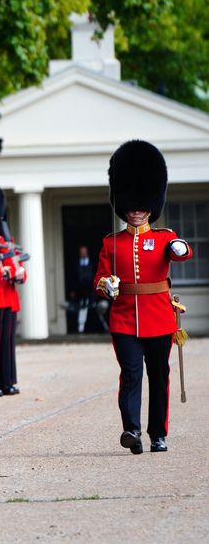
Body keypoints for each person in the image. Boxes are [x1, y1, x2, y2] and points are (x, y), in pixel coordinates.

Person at [94, 140, 192, 454]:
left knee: (159, 376)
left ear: (152, 204)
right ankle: (132, 430)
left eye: (141, 205)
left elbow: (181, 252)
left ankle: (158, 434)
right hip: (124, 319)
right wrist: (106, 286)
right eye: (131, 206)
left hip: (160, 318)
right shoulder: (111, 242)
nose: (136, 211)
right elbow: (100, 278)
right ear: (122, 204)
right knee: (131, 374)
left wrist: (179, 248)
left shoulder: (164, 237)